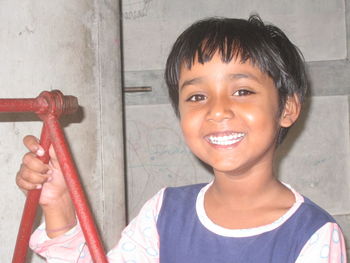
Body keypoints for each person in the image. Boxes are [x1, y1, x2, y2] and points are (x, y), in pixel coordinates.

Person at [16, 15, 347, 262]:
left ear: (287, 108)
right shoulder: (165, 212)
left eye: (242, 91)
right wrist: (59, 205)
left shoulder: (313, 235)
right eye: (197, 97)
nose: (217, 110)